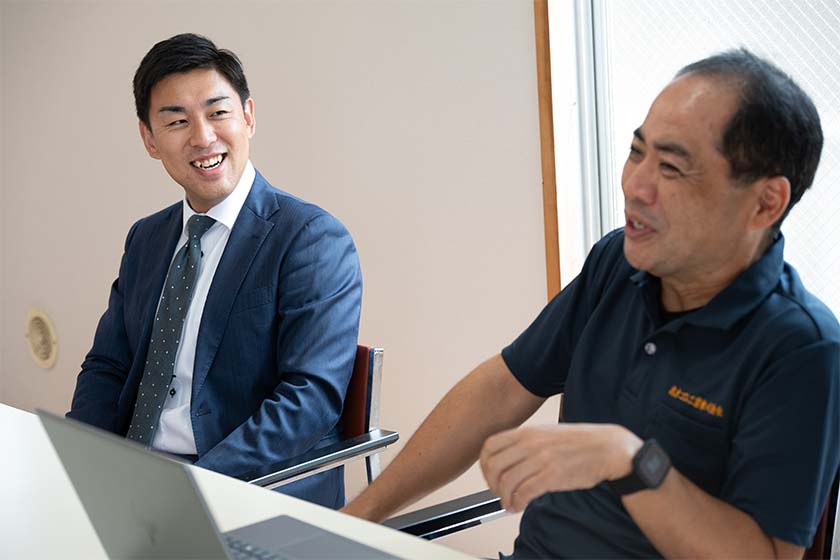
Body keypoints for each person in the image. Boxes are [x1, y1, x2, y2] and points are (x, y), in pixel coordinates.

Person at [343, 48, 840, 557]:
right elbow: (502, 389)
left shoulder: (802, 348)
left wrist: (632, 461)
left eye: (671, 168)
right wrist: (350, 521)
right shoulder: (618, 265)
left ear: (765, 202)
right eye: (636, 152)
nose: (634, 186)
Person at [67, 33, 362, 509]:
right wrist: (82, 459)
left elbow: (310, 399)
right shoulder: (147, 238)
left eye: (217, 112)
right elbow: (108, 366)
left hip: (246, 485)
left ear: (248, 116)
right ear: (149, 139)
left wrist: (193, 487)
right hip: (139, 477)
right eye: (177, 121)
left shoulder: (309, 238)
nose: (203, 137)